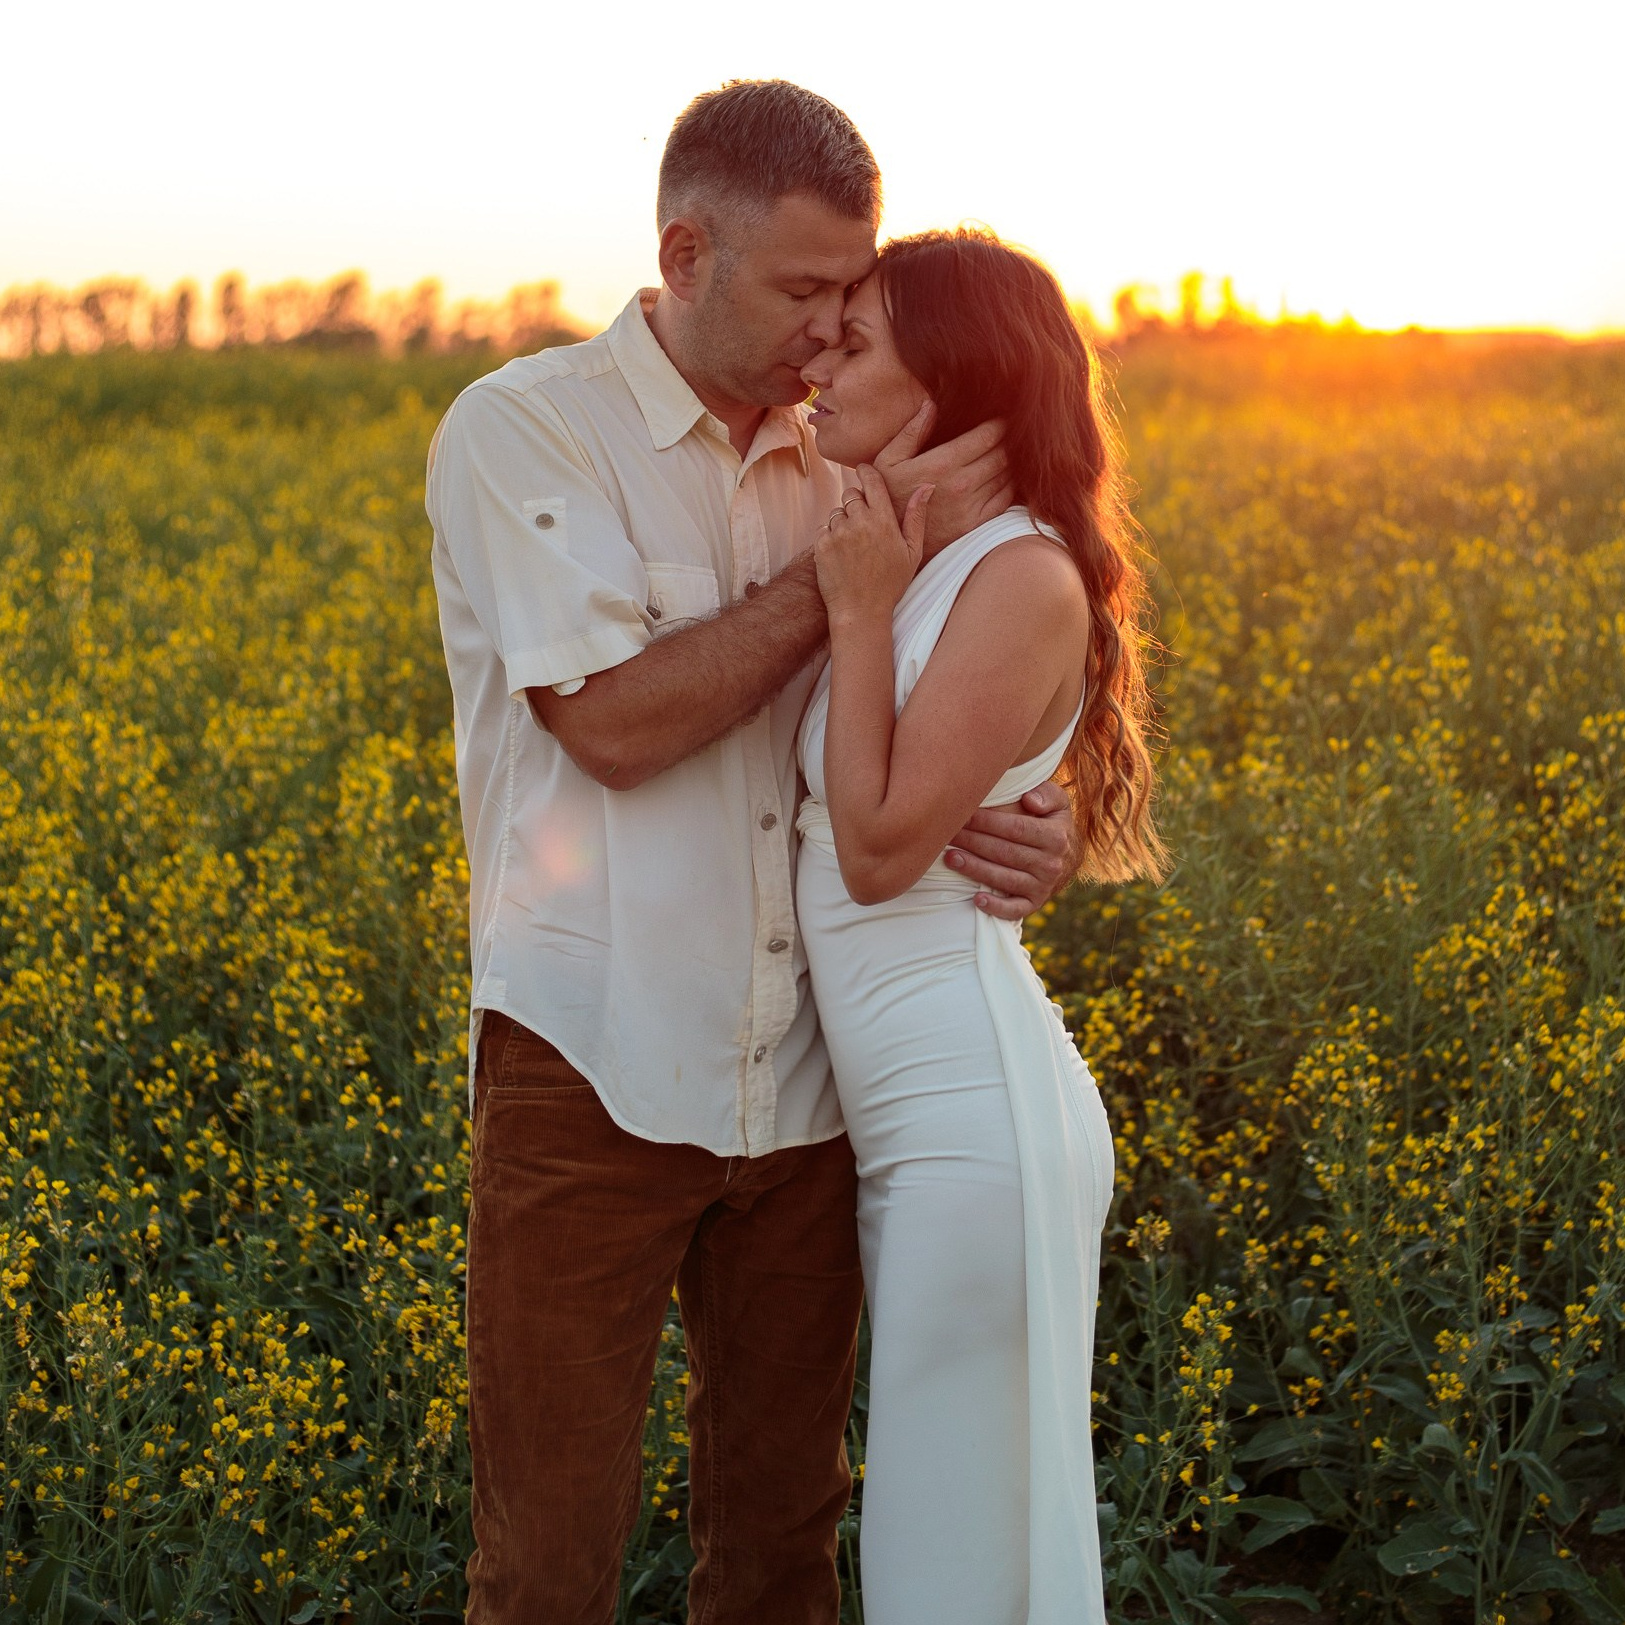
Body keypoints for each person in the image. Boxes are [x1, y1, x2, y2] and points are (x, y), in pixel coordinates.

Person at [425, 82, 1076, 1624]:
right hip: (592, 1066)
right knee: (545, 1570)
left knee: (783, 1560)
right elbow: (617, 724)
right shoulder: (527, 429)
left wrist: (1036, 825)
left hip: (808, 1084)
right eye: (801, 292)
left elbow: (981, 664)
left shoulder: (850, 449)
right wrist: (846, 585)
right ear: (682, 251)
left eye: (848, 298)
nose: (825, 332)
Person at [794, 228, 1170, 1625]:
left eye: (855, 344)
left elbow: (882, 850)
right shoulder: (910, 543)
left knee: (954, 1560)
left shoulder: (1013, 577)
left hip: (974, 1124)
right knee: (943, 1550)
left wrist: (854, 611)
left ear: (952, 380)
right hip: (916, 1121)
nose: (818, 368)